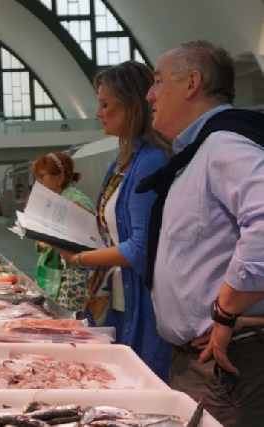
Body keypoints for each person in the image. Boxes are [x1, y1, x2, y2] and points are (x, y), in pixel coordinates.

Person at [137, 40, 264, 425]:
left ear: (191, 83)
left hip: (226, 361)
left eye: (158, 81)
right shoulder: (200, 151)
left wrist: (225, 312)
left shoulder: (225, 144)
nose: (150, 94)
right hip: (203, 360)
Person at [53, 61, 173, 382]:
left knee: (138, 387)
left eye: (105, 104)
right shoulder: (122, 162)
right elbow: (107, 227)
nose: (98, 112)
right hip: (116, 299)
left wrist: (79, 257)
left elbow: (138, 249)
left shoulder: (150, 161)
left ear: (133, 105)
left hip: (142, 305)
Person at [31, 152, 94, 314]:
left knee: (67, 320)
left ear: (59, 177)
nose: (38, 182)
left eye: (42, 177)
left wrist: (53, 241)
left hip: (71, 277)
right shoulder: (53, 200)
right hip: (54, 274)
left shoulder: (77, 201)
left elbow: (90, 242)